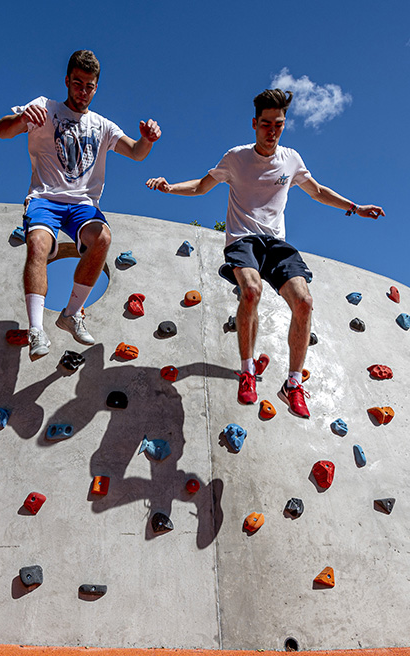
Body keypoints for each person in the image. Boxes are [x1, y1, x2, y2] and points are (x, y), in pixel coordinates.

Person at [146, 89, 383, 417]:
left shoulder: (291, 159)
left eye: (279, 125)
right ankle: (247, 371)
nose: (272, 131)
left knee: (304, 302)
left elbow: (317, 192)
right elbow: (202, 186)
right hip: (243, 240)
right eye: (267, 124)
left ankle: (293, 383)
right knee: (252, 291)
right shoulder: (236, 158)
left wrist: (355, 207)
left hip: (276, 244)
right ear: (255, 124)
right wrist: (169, 186)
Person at [0, 49, 161, 359]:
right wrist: (20, 120)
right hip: (45, 198)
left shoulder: (103, 125)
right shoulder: (44, 107)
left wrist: (148, 139)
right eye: (78, 84)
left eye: (90, 86)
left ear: (96, 87)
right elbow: (1, 130)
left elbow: (136, 153)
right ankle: (36, 330)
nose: (83, 92)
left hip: (82, 203)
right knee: (38, 244)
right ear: (67, 80)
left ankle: (71, 314)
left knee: (103, 237)